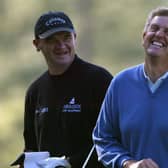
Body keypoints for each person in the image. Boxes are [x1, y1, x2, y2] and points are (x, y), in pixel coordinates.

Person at [11, 11, 113, 168]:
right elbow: (31, 146)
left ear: (75, 37)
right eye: (52, 40)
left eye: (66, 38)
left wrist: (68, 163)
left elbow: (112, 140)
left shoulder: (99, 80)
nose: (61, 46)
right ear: (37, 44)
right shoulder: (35, 91)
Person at [93, 6, 168, 168]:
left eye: (167, 32)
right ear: (144, 37)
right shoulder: (121, 83)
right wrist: (129, 164)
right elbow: (103, 138)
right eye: (154, 28)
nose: (160, 34)